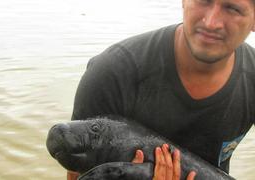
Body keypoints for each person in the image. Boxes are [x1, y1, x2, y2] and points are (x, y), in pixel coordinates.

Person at [68, 0, 255, 179]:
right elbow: (75, 169)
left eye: (233, 9)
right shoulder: (113, 73)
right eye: (203, 0)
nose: (211, 22)